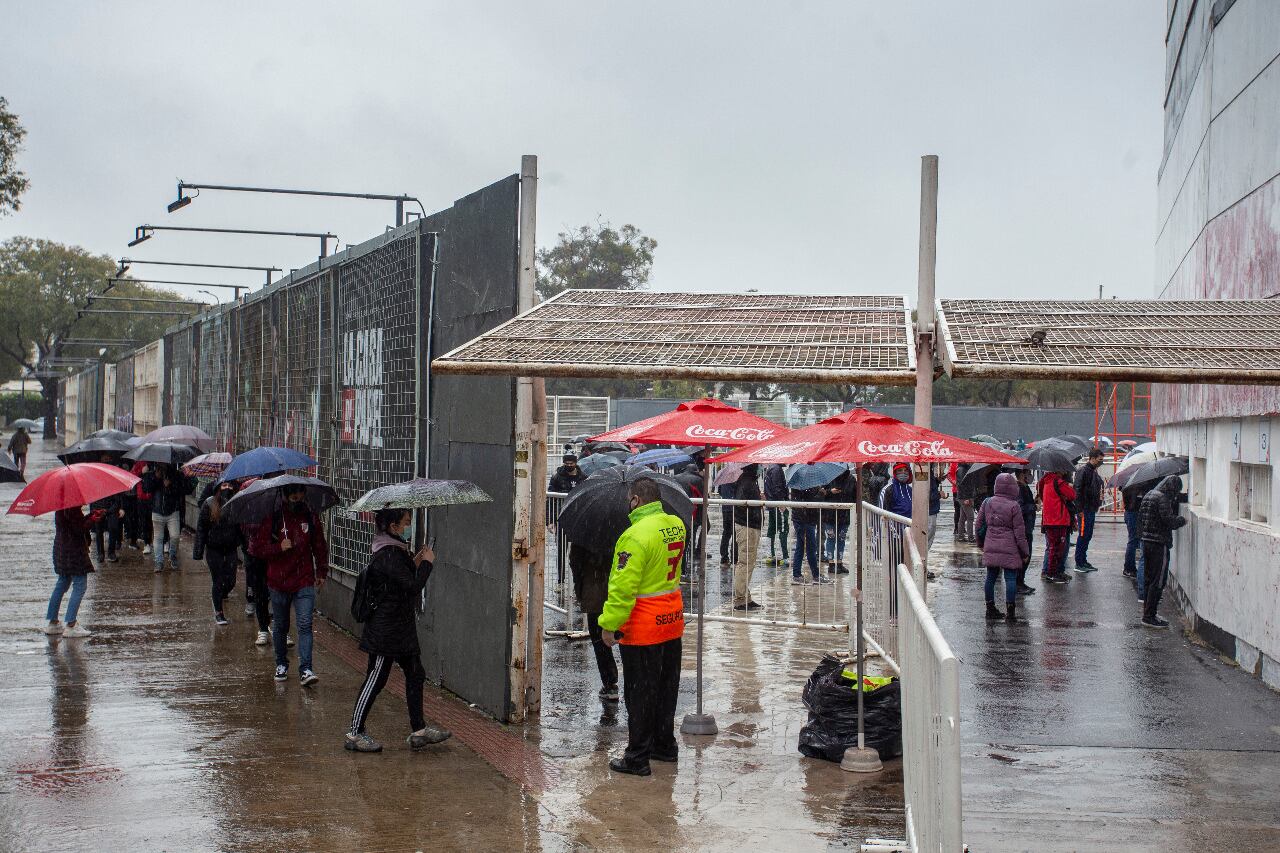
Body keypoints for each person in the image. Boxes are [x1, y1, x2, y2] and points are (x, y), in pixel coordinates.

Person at [599, 477, 686, 777]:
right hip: (672, 622)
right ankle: (665, 746)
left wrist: (609, 625)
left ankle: (637, 757)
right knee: (666, 689)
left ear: (636, 500)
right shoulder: (676, 524)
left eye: (629, 500)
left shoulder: (634, 536)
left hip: (644, 627)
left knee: (640, 695)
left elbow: (623, 588)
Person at [345, 508, 451, 753]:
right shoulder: (388, 553)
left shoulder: (394, 550)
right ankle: (355, 733)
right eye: (405, 523)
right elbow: (412, 586)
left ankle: (419, 730)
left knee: (415, 673)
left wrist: (416, 561)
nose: (408, 527)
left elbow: (399, 579)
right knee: (376, 678)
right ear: (393, 526)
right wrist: (427, 564)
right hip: (386, 630)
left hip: (400, 628)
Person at [250, 485, 330, 684]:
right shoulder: (273, 517)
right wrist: (278, 547)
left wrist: (321, 570)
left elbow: (319, 544)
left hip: (304, 579)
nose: (297, 499)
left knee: (305, 624)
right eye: (293, 496)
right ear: (285, 496)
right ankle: (281, 664)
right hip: (278, 582)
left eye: (300, 496)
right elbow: (257, 548)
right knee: (281, 626)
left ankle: (306, 669)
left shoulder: (310, 516)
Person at [43, 505, 105, 638]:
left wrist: (90, 515)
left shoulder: (62, 506)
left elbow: (75, 524)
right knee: (80, 585)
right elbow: (78, 529)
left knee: (62, 584)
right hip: (74, 552)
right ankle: (71, 625)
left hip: (62, 549)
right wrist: (92, 519)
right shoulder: (72, 508)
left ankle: (53, 623)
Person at [976, 473, 1030, 622]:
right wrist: (1025, 552)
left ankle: (990, 609)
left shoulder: (987, 502)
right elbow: (1020, 533)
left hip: (991, 544)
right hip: (1010, 548)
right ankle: (1010, 613)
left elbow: (978, 525)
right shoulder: (1014, 506)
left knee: (991, 577)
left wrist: (980, 543)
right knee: (1010, 578)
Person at [570, 542, 619, 699]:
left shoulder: (584, 538)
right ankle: (633, 686)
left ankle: (610, 684)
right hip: (619, 592)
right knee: (627, 640)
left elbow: (575, 563)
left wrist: (580, 591)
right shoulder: (624, 535)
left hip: (595, 592)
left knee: (600, 640)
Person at [1138, 475, 1187, 629]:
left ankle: (1148, 614)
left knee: (1148, 579)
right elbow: (1169, 521)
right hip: (1159, 543)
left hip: (1146, 541)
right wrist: (1181, 520)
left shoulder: (1149, 494)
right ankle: (1150, 616)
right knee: (1158, 580)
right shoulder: (1162, 499)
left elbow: (1141, 518)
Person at [193, 480, 244, 625]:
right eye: (224, 485)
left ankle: (221, 594)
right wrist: (198, 551)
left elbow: (240, 528)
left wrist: (243, 543)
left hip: (230, 548)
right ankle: (219, 612)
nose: (227, 488)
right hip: (214, 549)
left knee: (231, 581)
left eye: (230, 485)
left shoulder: (236, 503)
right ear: (218, 488)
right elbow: (201, 528)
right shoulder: (209, 504)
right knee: (218, 580)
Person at [142, 463, 193, 572]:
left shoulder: (176, 475)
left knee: (175, 536)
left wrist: (171, 484)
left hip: (173, 511)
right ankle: (159, 562)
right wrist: (156, 478)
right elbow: (146, 488)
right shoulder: (152, 473)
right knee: (158, 538)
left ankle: (172, 555)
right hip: (157, 511)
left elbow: (186, 490)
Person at [731, 465, 764, 610]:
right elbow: (742, 503)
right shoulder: (746, 482)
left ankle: (745, 596)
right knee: (745, 562)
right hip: (747, 526)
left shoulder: (749, 481)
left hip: (751, 525)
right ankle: (740, 599)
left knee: (749, 562)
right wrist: (757, 501)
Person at [1037, 470, 1076, 585]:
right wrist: (1068, 486)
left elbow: (1042, 496)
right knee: (1056, 549)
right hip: (1058, 519)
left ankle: (1053, 572)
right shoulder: (1059, 482)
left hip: (1049, 519)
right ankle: (1052, 574)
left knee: (1052, 547)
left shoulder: (1044, 481)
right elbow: (1072, 495)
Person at [789, 479, 831, 585]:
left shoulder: (802, 482)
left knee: (801, 547)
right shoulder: (804, 484)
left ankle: (798, 575)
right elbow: (810, 501)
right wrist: (821, 493)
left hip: (804, 519)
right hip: (804, 520)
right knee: (810, 548)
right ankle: (814, 575)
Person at [1072, 448, 1106, 572]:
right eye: (1099, 460)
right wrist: (1079, 509)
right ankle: (1079, 562)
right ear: (1092, 458)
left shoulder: (1092, 472)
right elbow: (1077, 490)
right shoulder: (1084, 471)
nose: (1101, 462)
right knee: (1083, 535)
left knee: (1087, 535)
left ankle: (1083, 560)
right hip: (1084, 509)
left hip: (1091, 508)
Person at [1010, 466, 1038, 596]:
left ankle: (1021, 582)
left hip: (1028, 526)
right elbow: (1020, 508)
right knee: (1024, 556)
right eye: (1028, 472)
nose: (1030, 475)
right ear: (1022, 474)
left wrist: (1034, 502)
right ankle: (1017, 583)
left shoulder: (1024, 487)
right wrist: (1034, 506)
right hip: (1024, 527)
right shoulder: (1019, 488)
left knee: (1027, 556)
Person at [879, 463, 913, 568]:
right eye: (900, 471)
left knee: (907, 562)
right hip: (894, 534)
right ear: (895, 473)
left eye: (906, 471)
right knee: (895, 563)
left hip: (909, 533)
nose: (903, 473)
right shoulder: (888, 489)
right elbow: (882, 513)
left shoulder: (910, 490)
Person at [821, 469, 855, 574]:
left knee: (841, 539)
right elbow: (820, 493)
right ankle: (831, 564)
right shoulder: (828, 476)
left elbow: (855, 496)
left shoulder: (851, 479)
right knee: (831, 538)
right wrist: (829, 492)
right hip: (829, 515)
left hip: (845, 515)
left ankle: (840, 563)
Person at [1121, 480, 1147, 589]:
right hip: (1134, 511)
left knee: (1133, 540)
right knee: (1134, 540)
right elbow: (1136, 497)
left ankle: (1130, 567)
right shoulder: (1136, 482)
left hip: (1130, 511)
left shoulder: (1128, 480)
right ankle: (1129, 568)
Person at [762, 463, 790, 567]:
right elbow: (777, 488)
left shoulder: (772, 468)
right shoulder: (777, 469)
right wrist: (781, 502)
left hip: (772, 503)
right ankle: (785, 556)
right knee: (783, 528)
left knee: (772, 529)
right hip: (777, 504)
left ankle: (770, 555)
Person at [717, 479, 737, 567]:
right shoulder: (736, 478)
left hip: (725, 508)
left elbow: (720, 491)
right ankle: (734, 558)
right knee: (735, 534)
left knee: (726, 533)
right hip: (735, 508)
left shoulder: (724, 477)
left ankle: (724, 557)